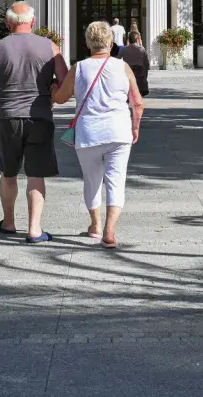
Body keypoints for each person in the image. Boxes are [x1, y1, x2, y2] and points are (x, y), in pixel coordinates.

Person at [0, 1, 68, 244]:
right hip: (40, 117)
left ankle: (9, 223)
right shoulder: (50, 47)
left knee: (8, 172)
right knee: (36, 175)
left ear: (8, 23)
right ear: (33, 22)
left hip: (7, 118)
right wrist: (54, 92)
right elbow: (66, 83)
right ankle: (34, 230)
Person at [52, 21, 143, 249]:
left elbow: (61, 98)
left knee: (92, 180)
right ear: (111, 43)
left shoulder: (79, 68)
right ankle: (109, 231)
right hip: (119, 131)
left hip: (88, 132)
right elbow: (137, 102)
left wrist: (53, 90)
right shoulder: (123, 67)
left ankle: (95, 224)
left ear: (87, 43)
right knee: (116, 181)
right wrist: (135, 126)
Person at [119, 31, 149, 97]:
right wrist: (145, 76)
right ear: (137, 39)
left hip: (128, 72)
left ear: (129, 39)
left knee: (127, 93)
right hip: (139, 73)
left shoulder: (124, 49)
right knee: (139, 94)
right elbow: (146, 64)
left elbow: (117, 59)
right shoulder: (142, 49)